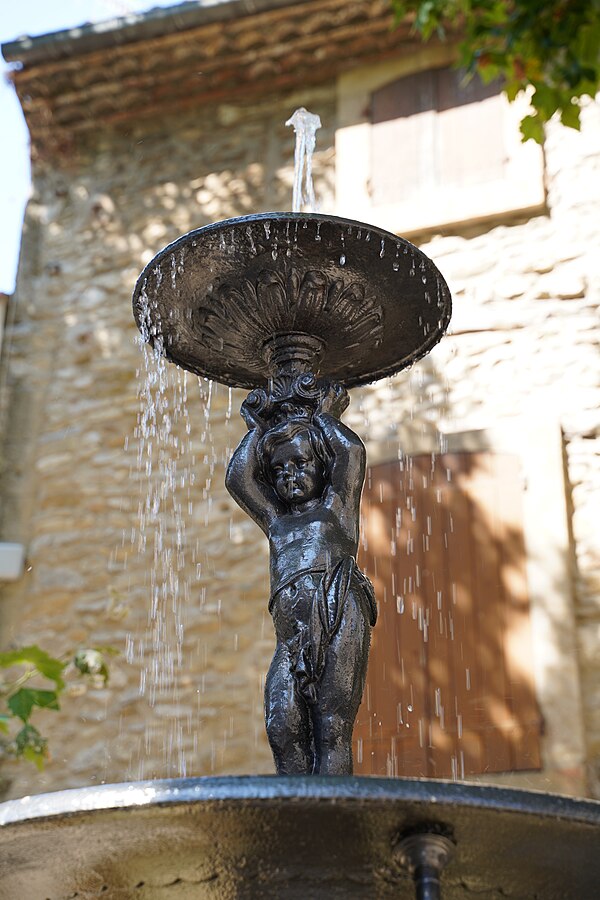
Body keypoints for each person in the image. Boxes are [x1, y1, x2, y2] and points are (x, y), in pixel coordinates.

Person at [225, 381, 377, 775]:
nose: (288, 476)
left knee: (331, 726)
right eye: (278, 470)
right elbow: (237, 480)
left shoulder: (336, 506)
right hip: (290, 636)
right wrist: (255, 427)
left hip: (338, 607)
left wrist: (325, 416)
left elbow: (351, 452)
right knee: (282, 725)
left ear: (319, 466)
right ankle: (297, 815)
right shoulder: (277, 522)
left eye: (299, 464)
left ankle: (332, 812)